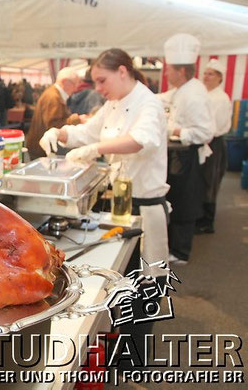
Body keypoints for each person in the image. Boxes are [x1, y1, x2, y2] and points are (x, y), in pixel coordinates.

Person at [39, 48, 170, 278]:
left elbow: (140, 140)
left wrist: (95, 149)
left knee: (148, 277)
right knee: (123, 276)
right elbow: (88, 131)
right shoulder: (112, 104)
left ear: (122, 71)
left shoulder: (148, 103)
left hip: (144, 204)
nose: (97, 89)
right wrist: (58, 133)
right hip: (119, 200)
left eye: (102, 81)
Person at [161, 33, 214, 265]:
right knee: (178, 198)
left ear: (180, 71)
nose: (165, 73)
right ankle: (176, 247)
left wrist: (175, 131)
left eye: (169, 69)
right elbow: (164, 98)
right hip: (178, 154)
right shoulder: (182, 89)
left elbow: (205, 132)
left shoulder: (194, 94)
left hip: (188, 154)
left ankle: (181, 252)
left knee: (185, 201)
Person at [196, 58, 232, 234]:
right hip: (205, 141)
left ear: (219, 78)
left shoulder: (221, 98)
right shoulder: (206, 95)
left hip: (213, 143)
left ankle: (207, 222)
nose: (206, 77)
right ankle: (200, 216)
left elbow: (214, 127)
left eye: (210, 74)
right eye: (205, 73)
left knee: (211, 181)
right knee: (202, 181)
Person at [26, 67, 81, 160]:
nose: (76, 88)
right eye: (74, 84)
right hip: (42, 149)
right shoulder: (53, 97)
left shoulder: (53, 94)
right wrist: (76, 119)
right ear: (65, 82)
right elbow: (53, 125)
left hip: (40, 146)